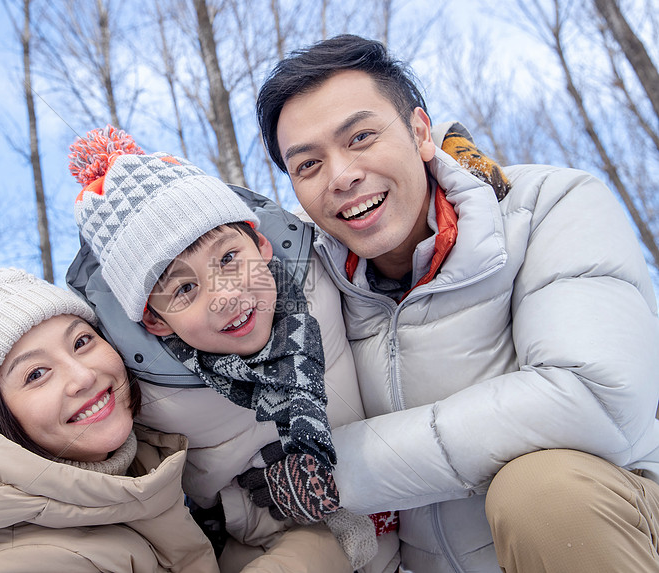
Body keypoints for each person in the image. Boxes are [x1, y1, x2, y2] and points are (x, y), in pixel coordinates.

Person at [248, 33, 659, 572]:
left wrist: (334, 471)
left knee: (542, 493)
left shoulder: (546, 207)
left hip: (605, 528)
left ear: (421, 132)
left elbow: (596, 400)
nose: (342, 176)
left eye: (362, 137)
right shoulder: (310, 284)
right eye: (307, 166)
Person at [66, 126, 399, 572]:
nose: (225, 295)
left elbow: (371, 196)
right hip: (274, 549)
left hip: (408, 521)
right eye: (184, 289)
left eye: (228, 259)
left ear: (261, 244)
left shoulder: (320, 269)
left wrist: (445, 153)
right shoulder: (151, 394)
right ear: (155, 321)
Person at [0, 260, 219, 572]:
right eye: (36, 374)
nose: (82, 376)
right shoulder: (16, 563)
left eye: (81, 342)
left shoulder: (151, 457)